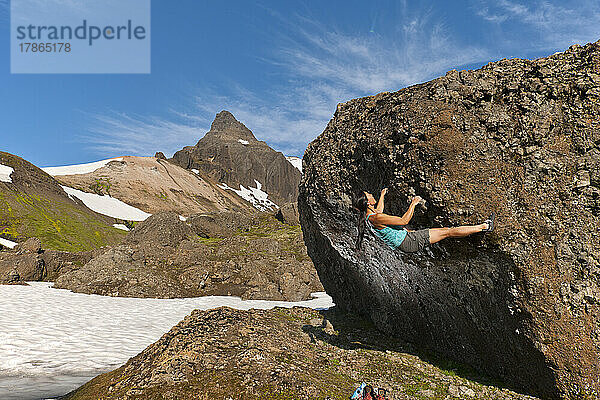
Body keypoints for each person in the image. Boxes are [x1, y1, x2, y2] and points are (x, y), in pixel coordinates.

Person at [352, 188, 494, 253]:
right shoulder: (376, 217)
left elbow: (379, 211)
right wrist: (413, 203)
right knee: (448, 232)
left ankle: (482, 227)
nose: (370, 194)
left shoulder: (368, 217)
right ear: (368, 202)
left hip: (405, 243)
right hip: (409, 241)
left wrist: (382, 195)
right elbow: (403, 221)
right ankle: (484, 226)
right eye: (368, 194)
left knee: (446, 232)